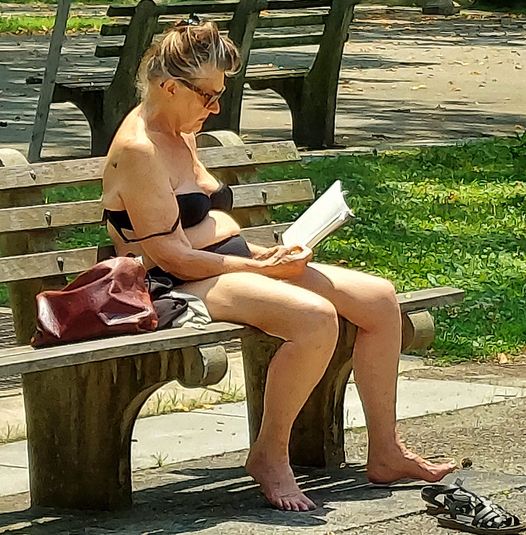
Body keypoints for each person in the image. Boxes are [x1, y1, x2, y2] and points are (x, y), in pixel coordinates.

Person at [102, 19, 456, 512]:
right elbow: (171, 255)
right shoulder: (139, 150)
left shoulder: (180, 129)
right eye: (208, 96)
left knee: (378, 298)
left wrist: (266, 254)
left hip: (222, 264)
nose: (215, 107)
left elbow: (204, 221)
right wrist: (263, 270)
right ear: (170, 87)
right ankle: (269, 454)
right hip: (169, 284)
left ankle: (386, 451)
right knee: (313, 318)